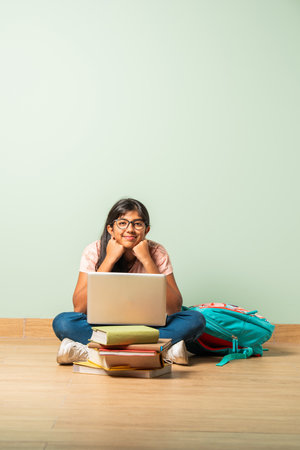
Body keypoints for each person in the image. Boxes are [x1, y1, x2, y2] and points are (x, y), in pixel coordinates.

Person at [53, 198, 205, 365]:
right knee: (63, 322)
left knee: (195, 319)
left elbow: (174, 307)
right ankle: (161, 350)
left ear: (146, 229)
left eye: (137, 224)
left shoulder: (157, 252)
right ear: (110, 228)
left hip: (147, 328)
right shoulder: (94, 250)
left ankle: (92, 352)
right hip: (102, 328)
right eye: (122, 223)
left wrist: (147, 260)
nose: (130, 230)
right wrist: (109, 259)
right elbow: (79, 307)